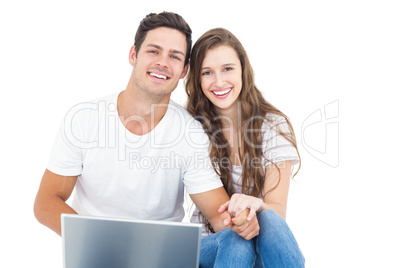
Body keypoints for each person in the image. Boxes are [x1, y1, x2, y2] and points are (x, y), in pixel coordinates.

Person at [33, 12, 255, 245]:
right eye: (153, 51)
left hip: (161, 253)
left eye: (175, 56)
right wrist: (95, 241)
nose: (162, 62)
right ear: (133, 54)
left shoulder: (190, 133)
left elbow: (217, 214)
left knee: (240, 245)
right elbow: (46, 202)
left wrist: (241, 221)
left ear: (184, 71)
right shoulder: (83, 119)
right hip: (94, 249)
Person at [186, 28, 305, 267]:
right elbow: (220, 220)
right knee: (236, 240)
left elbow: (277, 212)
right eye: (207, 72)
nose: (219, 82)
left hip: (258, 243)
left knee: (269, 218)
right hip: (209, 248)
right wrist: (241, 221)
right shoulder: (191, 127)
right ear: (197, 79)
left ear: (243, 70)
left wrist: (256, 204)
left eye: (228, 69)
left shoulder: (273, 125)